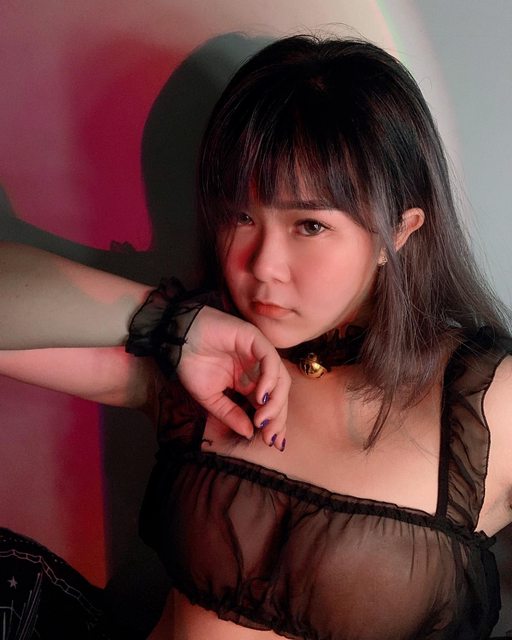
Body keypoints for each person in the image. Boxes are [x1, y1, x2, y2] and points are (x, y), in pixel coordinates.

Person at [1, 35, 511, 639]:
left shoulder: (489, 403)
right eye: (241, 216)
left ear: (397, 233)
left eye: (309, 225)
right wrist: (173, 325)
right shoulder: (205, 363)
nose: (262, 265)